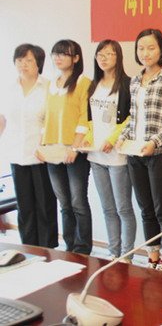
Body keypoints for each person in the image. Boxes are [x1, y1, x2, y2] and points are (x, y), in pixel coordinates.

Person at [117, 28, 162, 272]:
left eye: (151, 48)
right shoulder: (134, 81)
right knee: (145, 209)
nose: (145, 53)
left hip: (159, 153)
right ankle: (152, 257)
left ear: (161, 49)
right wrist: (123, 137)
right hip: (135, 154)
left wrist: (155, 141)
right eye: (141, 48)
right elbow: (133, 118)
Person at [82, 40, 136, 261]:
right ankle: (114, 253)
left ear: (118, 57)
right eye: (100, 55)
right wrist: (88, 137)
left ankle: (127, 255)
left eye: (109, 54)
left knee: (123, 208)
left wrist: (112, 140)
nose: (103, 58)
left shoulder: (127, 84)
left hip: (118, 156)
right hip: (96, 156)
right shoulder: (92, 85)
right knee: (108, 208)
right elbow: (88, 119)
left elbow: (131, 118)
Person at [0, 44, 58, 248]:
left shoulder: (49, 87)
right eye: (19, 60)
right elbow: (2, 119)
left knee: (45, 205)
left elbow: (54, 121)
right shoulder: (9, 88)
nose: (23, 64)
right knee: (24, 206)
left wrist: (45, 145)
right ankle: (29, 249)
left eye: (28, 60)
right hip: (17, 153)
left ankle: (48, 250)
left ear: (38, 63)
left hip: (41, 155)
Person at [40, 39, 92, 254]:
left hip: (74, 151)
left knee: (78, 202)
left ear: (76, 58)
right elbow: (45, 117)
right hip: (52, 150)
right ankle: (70, 247)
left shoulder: (83, 82)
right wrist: (41, 146)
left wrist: (75, 148)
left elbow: (84, 117)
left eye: (64, 53)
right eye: (55, 53)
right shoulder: (51, 84)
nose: (58, 57)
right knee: (64, 203)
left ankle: (83, 249)